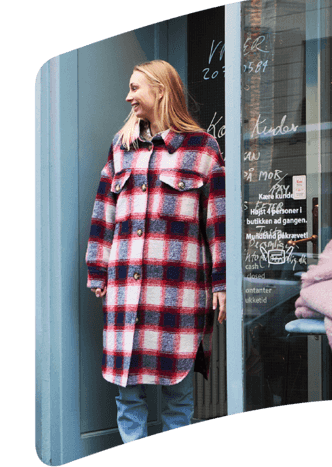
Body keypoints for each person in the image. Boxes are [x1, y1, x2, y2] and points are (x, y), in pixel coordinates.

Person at [85, 59, 226, 443]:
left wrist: (221, 283)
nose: (128, 95)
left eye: (135, 87)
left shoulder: (203, 148)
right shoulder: (121, 147)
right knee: (127, 397)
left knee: (177, 398)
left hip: (176, 294)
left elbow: (219, 224)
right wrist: (97, 270)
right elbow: (104, 213)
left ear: (159, 90)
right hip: (125, 295)